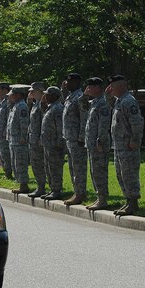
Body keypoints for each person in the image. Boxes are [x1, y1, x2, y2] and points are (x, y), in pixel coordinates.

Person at [108, 75, 144, 216]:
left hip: (128, 146)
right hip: (119, 146)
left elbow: (137, 123)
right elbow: (108, 102)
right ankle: (128, 200)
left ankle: (133, 202)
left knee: (129, 175)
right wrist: (107, 95)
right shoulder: (119, 101)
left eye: (113, 86)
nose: (111, 89)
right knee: (121, 174)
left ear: (122, 86)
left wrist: (135, 140)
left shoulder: (129, 101)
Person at [84, 78, 112, 210]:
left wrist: (100, 141)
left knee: (99, 172)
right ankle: (99, 197)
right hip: (91, 144)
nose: (88, 89)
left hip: (98, 144)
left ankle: (103, 199)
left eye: (90, 87)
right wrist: (84, 95)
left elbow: (104, 124)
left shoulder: (103, 103)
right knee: (94, 172)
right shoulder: (94, 102)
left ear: (97, 88)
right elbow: (81, 106)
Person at [62, 73, 88, 206]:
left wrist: (82, 137)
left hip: (77, 139)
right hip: (69, 137)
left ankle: (80, 193)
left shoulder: (79, 97)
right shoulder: (70, 96)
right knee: (72, 167)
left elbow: (84, 118)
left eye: (68, 82)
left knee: (79, 168)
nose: (66, 84)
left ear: (76, 82)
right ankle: (76, 191)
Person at [41, 86, 65, 200]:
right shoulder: (50, 107)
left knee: (55, 168)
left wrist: (59, 143)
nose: (45, 96)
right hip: (48, 144)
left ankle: (57, 190)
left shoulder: (58, 108)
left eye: (48, 94)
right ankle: (52, 189)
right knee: (49, 168)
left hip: (55, 145)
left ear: (55, 96)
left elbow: (60, 128)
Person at [7, 85, 31, 193]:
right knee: (16, 163)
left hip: (19, 141)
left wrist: (23, 137)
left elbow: (24, 123)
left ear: (18, 95)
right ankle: (21, 183)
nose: (10, 97)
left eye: (12, 95)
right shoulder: (15, 106)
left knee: (21, 163)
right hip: (13, 140)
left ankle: (24, 185)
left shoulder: (22, 106)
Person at [27, 82, 47, 198]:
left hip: (38, 139)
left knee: (39, 164)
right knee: (35, 164)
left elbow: (43, 123)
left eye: (33, 91)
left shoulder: (42, 105)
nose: (30, 93)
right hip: (32, 138)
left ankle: (42, 187)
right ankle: (40, 186)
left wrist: (40, 137)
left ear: (39, 91)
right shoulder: (35, 104)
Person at [0, 82, 13, 179]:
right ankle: (6, 172)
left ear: (5, 90)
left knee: (5, 154)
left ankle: (8, 173)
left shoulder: (9, 101)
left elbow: (9, 117)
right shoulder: (3, 101)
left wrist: (6, 130)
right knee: (1, 153)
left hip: (4, 133)